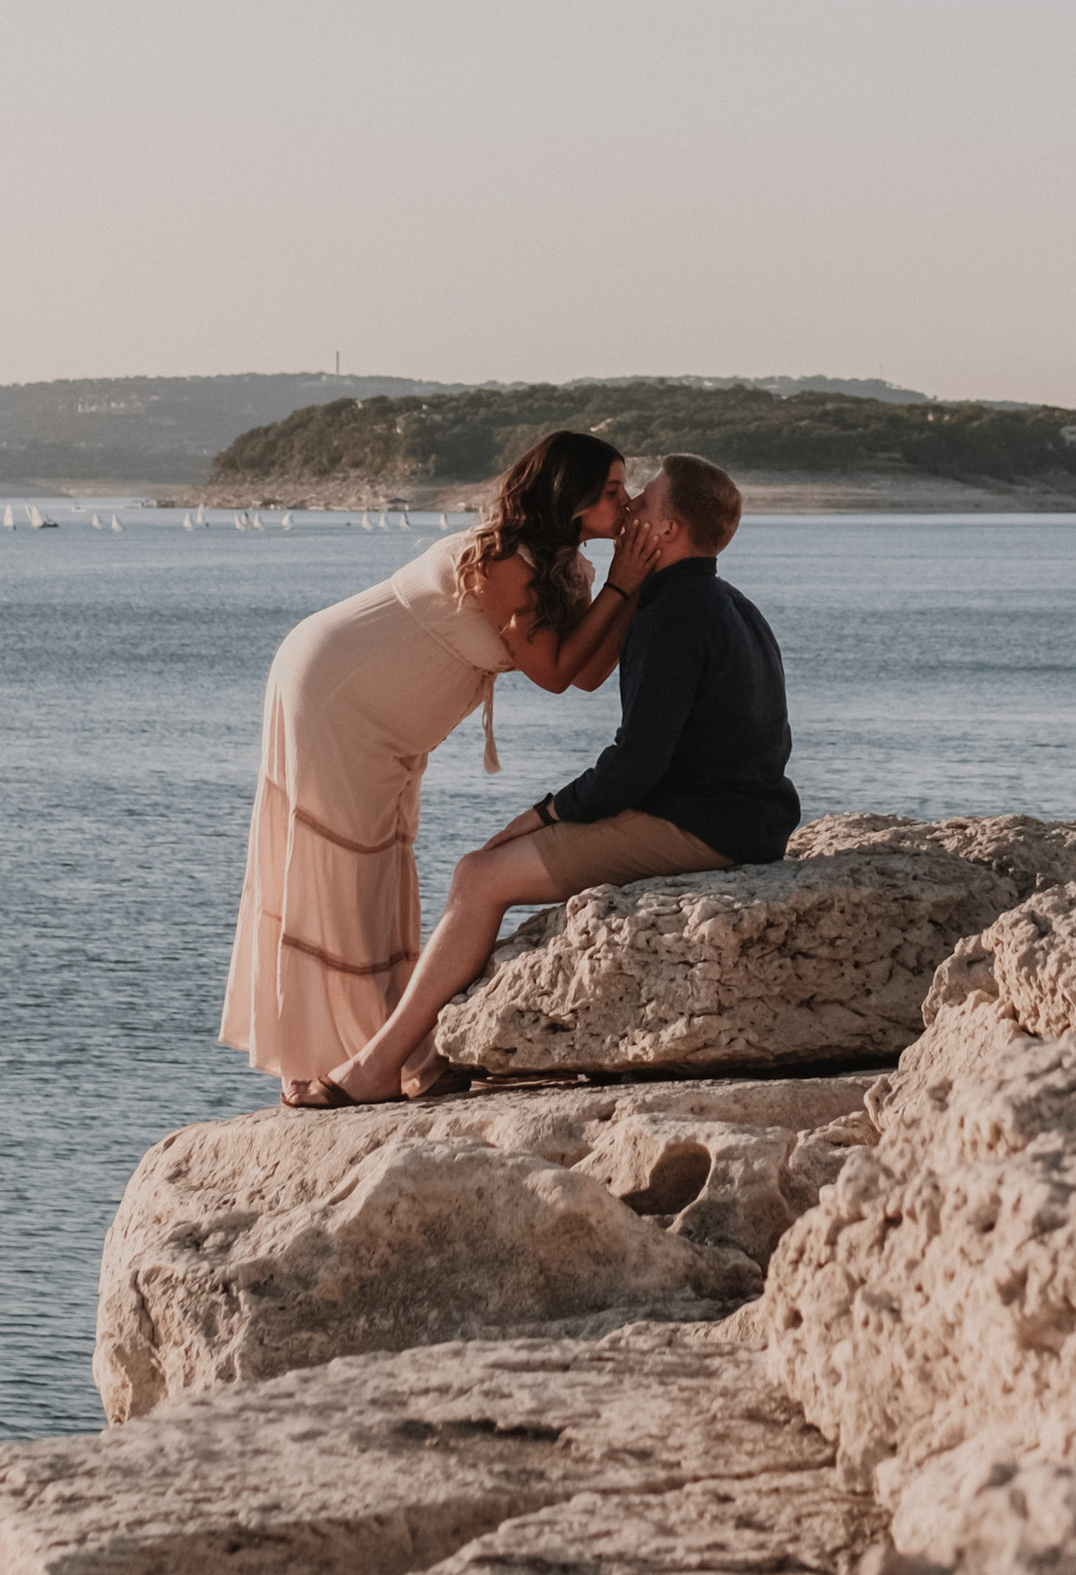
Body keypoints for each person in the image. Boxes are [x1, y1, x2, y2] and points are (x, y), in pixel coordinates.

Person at [304, 451, 796, 1108]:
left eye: (644, 499)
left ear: (668, 531)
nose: (630, 506)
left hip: (701, 827)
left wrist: (545, 813)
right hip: (740, 819)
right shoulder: (729, 603)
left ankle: (376, 1066)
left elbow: (634, 764)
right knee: (485, 870)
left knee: (480, 877)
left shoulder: (674, 615)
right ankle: (423, 1061)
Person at [218, 429, 680, 1102]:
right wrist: (623, 583)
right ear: (571, 498)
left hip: (386, 720)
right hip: (337, 690)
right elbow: (554, 672)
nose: (628, 500)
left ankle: (378, 1052)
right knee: (341, 867)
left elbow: (584, 672)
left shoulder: (568, 571)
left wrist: (631, 587)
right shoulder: (501, 560)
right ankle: (330, 1057)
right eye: (612, 490)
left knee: (380, 868)